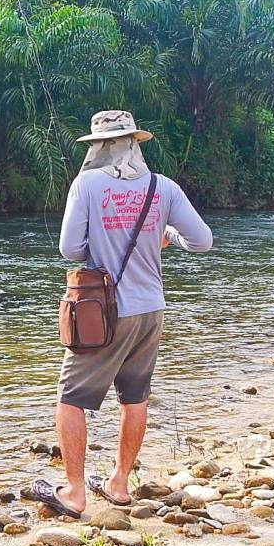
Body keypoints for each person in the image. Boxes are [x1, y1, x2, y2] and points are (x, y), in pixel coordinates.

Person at [31, 110, 213, 518]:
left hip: (103, 312)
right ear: (134, 143)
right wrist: (166, 235)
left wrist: (101, 239)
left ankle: (75, 492)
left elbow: (70, 251)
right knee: (135, 397)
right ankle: (119, 483)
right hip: (151, 309)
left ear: (97, 146)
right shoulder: (163, 187)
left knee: (71, 398)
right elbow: (201, 241)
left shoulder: (87, 184)